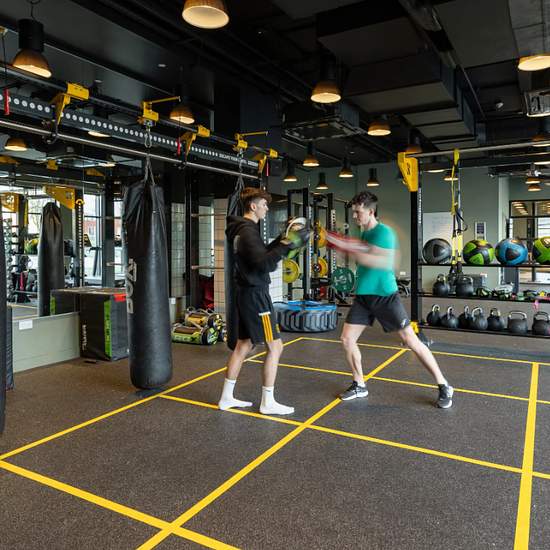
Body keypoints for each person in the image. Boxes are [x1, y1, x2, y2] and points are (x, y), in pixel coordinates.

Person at [331, 191, 454, 408]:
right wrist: (340, 246)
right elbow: (359, 258)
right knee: (347, 339)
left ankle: (443, 384)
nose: (355, 216)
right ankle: (359, 384)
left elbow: (381, 261)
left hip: (385, 296)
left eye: (358, 212)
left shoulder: (384, 233)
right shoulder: (363, 233)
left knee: (411, 340)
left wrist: (346, 245)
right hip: (364, 296)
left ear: (371, 211)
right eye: (354, 213)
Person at [218, 187, 310, 415]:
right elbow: (265, 264)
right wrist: (287, 244)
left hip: (247, 293)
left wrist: (282, 239)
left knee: (243, 345)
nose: (267, 208)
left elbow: (262, 254)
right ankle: (268, 403)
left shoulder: (244, 230)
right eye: (264, 204)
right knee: (275, 347)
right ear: (253, 206)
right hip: (256, 298)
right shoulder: (247, 232)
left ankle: (226, 398)